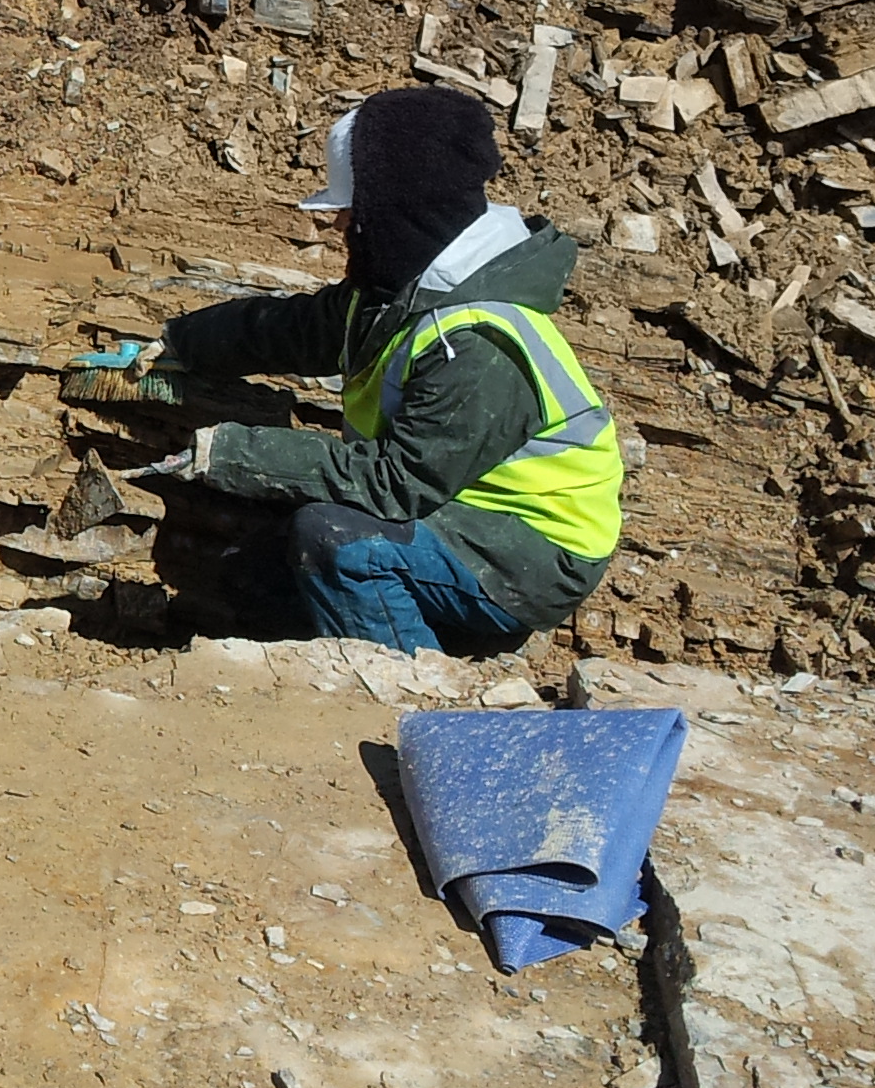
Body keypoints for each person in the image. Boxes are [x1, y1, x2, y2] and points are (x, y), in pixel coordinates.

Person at [149, 83, 622, 657]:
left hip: (530, 552)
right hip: (465, 509)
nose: (339, 223)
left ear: (398, 208)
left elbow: (393, 482)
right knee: (257, 572)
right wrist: (181, 343)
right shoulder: (404, 291)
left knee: (334, 542)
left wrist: (226, 453)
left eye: (353, 210)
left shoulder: (477, 341)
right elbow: (301, 329)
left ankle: (411, 687)